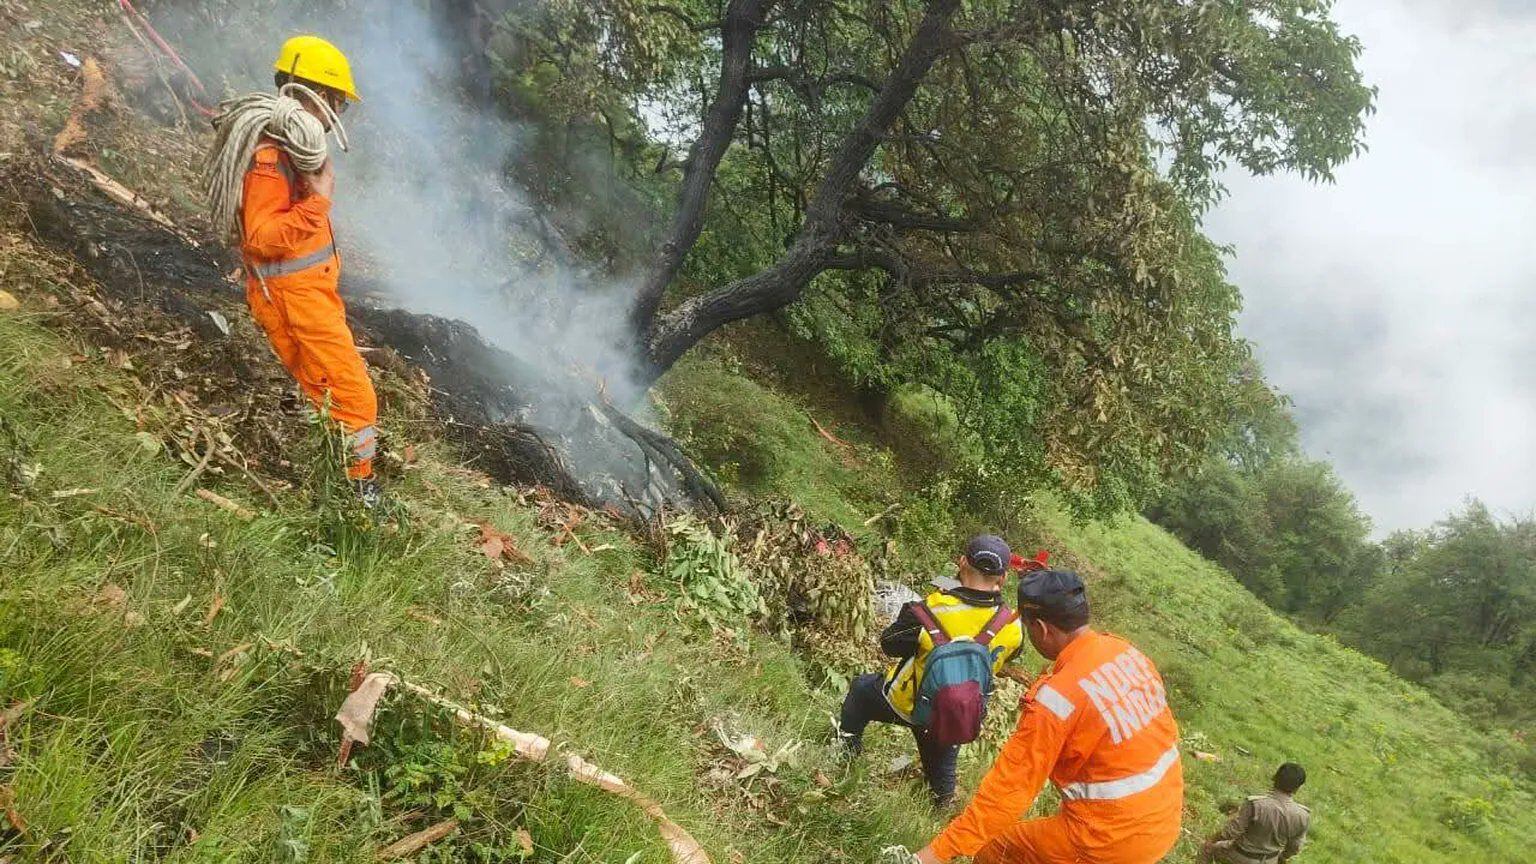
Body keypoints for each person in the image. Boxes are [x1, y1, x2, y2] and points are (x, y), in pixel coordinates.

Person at [912, 569, 1183, 864]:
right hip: (1164, 820)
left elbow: (1008, 792)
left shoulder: (1055, 702)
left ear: (1040, 628)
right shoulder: (1128, 653)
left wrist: (935, 854)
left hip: (1110, 841)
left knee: (997, 851)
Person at [236, 36, 379, 503]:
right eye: (336, 101)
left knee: (326, 393)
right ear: (310, 94)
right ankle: (357, 492)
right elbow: (260, 240)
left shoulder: (292, 154)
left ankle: (335, 477)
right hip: (293, 300)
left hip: (308, 295)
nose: (338, 112)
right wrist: (318, 201)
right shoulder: (270, 160)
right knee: (355, 397)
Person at [841, 535, 1027, 807]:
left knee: (860, 691)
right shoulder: (1012, 626)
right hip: (954, 716)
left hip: (904, 702)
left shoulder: (931, 608)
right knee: (942, 781)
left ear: (962, 562)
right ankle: (942, 804)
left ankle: (846, 753)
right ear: (1004, 578)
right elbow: (1008, 657)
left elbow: (889, 644)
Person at [1199, 763, 1311, 864]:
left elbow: (1231, 832)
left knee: (1207, 849)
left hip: (1240, 856)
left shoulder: (1256, 804)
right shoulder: (1303, 815)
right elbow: (1295, 847)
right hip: (1270, 860)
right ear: (1297, 788)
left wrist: (1211, 841)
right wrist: (1281, 857)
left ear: (1275, 778)